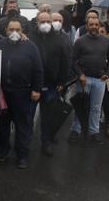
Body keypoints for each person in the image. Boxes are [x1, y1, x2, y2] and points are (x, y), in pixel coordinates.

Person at [0, 18, 43, 169]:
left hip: (23, 93)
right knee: (3, 125)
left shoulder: (30, 46)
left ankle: (22, 156)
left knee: (23, 126)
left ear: (22, 31)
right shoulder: (1, 44)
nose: (14, 32)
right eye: (11, 30)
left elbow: (38, 69)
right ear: (6, 31)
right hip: (4, 92)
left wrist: (36, 89)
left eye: (17, 30)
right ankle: (3, 151)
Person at [28, 12, 70, 156]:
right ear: (37, 22)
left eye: (48, 21)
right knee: (29, 116)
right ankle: (25, 144)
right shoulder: (30, 37)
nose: (45, 24)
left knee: (47, 118)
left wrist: (62, 81)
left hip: (51, 85)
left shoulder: (58, 39)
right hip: (32, 85)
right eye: (42, 21)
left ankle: (46, 142)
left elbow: (65, 61)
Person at [68, 17, 109, 144]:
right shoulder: (80, 41)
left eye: (96, 24)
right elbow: (72, 60)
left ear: (99, 25)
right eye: (91, 24)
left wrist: (107, 73)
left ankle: (94, 132)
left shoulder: (106, 41)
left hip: (99, 80)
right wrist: (80, 74)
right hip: (84, 80)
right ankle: (76, 130)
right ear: (87, 26)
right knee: (81, 107)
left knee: (96, 108)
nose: (94, 26)